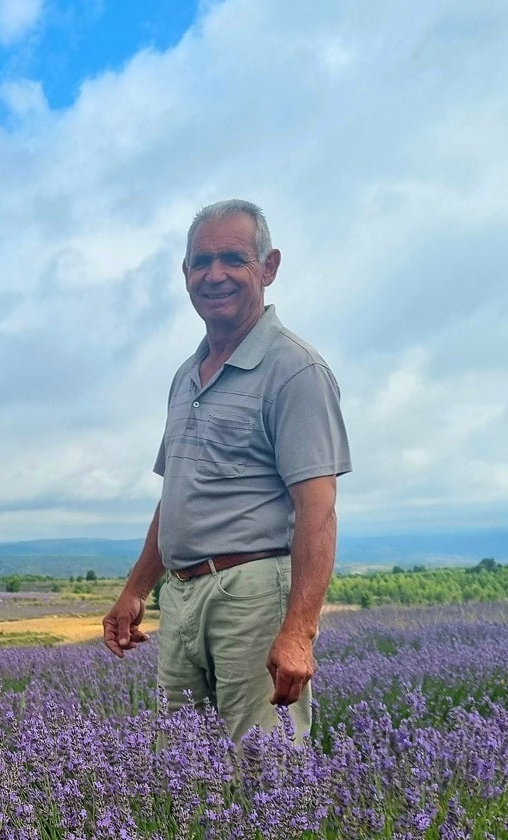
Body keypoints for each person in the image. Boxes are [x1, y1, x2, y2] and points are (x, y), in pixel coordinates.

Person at [102, 199, 350, 743]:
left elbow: (319, 508)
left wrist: (299, 633)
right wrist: (137, 589)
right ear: (185, 273)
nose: (214, 275)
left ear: (269, 267)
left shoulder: (295, 370)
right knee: (185, 773)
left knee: (264, 775)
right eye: (201, 261)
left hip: (253, 596)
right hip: (183, 597)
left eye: (233, 259)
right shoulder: (187, 375)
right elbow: (179, 497)